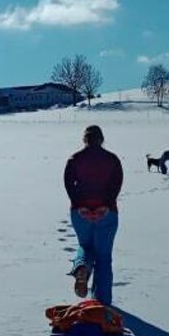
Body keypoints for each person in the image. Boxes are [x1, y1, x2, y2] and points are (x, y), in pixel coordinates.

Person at [63, 125, 123, 304]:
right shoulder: (112, 159)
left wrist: (79, 205)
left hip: (80, 214)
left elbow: (68, 184)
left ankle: (82, 267)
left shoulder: (74, 159)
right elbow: (116, 183)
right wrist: (105, 206)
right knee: (104, 257)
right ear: (101, 139)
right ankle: (101, 302)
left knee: (85, 245)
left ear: (85, 140)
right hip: (107, 213)